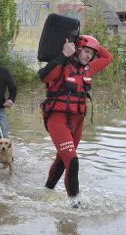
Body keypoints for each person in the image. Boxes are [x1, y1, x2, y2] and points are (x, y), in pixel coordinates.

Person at [39, 35, 113, 204]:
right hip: (57, 119)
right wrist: (65, 53)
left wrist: (92, 42)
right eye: (86, 51)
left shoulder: (88, 69)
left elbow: (108, 57)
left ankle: (47, 190)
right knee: (72, 161)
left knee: (62, 159)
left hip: (77, 122)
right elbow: (43, 76)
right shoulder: (62, 65)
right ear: (77, 49)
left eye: (92, 54)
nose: (89, 56)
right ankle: (75, 205)